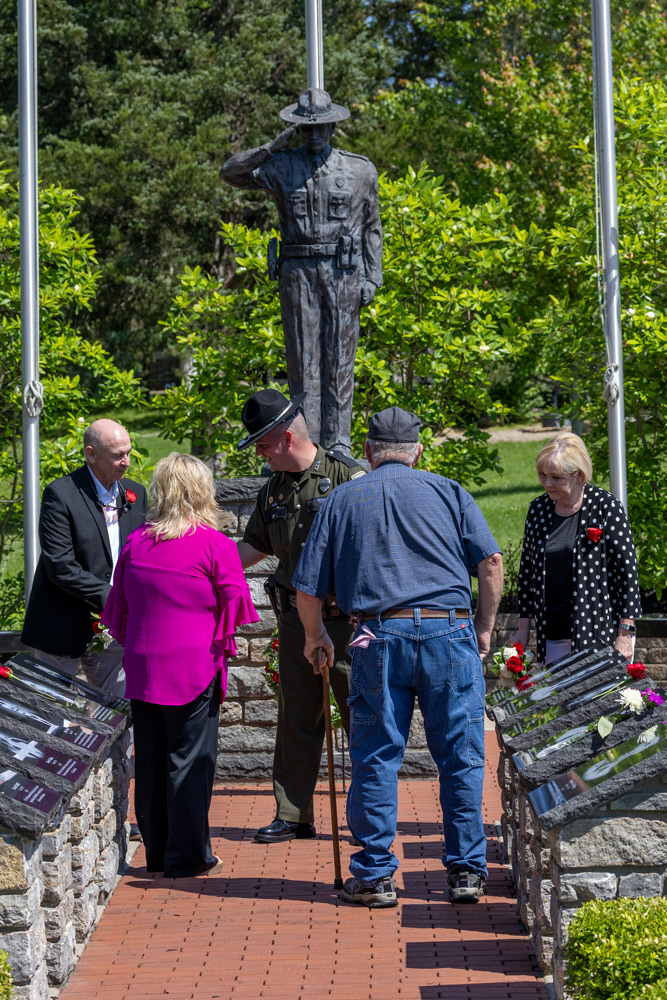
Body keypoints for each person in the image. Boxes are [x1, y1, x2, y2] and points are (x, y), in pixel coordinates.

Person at [293, 406, 503, 907]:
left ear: (367, 452)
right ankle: (467, 873)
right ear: (418, 452)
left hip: (377, 637)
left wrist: (315, 636)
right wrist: (485, 629)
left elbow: (307, 588)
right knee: (461, 756)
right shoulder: (450, 491)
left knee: (375, 755)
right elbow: (491, 563)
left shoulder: (341, 498)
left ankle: (373, 875)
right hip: (447, 632)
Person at [101, 453, 258, 877]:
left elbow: (120, 607)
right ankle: (188, 857)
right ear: (201, 491)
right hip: (193, 666)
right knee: (189, 760)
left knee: (150, 761)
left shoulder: (136, 541)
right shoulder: (215, 544)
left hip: (144, 665)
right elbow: (237, 601)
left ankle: (158, 853)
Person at [220, 87, 383, 455]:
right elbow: (230, 172)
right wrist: (271, 147)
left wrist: (373, 276)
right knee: (302, 360)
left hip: (342, 272)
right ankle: (306, 442)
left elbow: (372, 226)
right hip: (297, 271)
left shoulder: (359, 169)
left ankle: (339, 441)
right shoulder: (281, 165)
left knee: (340, 359)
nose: (314, 135)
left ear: (332, 127)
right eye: (306, 129)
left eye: (320, 128)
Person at [236, 387, 366, 843]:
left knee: (361, 713)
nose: (260, 454)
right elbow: (255, 547)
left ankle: (371, 815)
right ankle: (293, 813)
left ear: (287, 437)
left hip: (347, 621)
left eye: (263, 444)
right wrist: (203, 565)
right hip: (295, 619)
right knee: (296, 716)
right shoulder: (273, 488)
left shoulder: (348, 477)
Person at [21, 419, 147, 696]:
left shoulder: (136, 493)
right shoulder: (61, 494)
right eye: (117, 456)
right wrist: (111, 596)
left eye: (127, 452)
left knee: (123, 708)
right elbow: (60, 565)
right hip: (62, 624)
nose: (126, 462)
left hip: (116, 627)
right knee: (51, 714)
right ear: (91, 454)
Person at [513, 432, 641, 666]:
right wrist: (523, 630)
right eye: (543, 475)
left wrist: (625, 633)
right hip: (551, 635)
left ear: (578, 476)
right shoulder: (538, 509)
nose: (547, 483)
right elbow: (527, 574)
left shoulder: (606, 507)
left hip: (600, 634)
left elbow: (628, 573)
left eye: (556, 477)